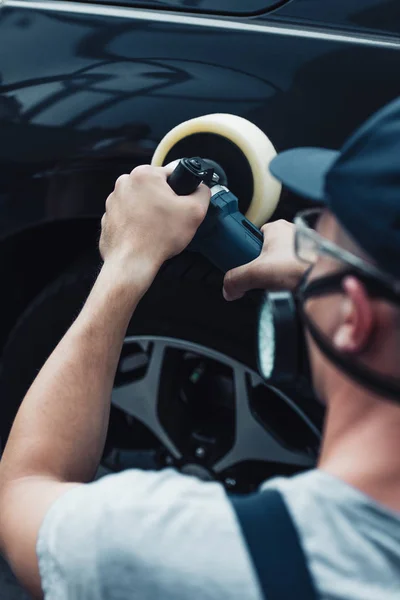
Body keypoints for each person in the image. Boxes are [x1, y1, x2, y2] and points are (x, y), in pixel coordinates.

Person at [1, 95, 400, 600]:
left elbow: (25, 491)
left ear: (355, 318)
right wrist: (326, 284)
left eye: (318, 239)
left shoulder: (202, 557)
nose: (306, 241)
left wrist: (125, 263)